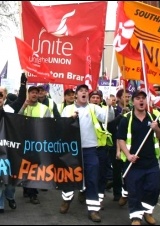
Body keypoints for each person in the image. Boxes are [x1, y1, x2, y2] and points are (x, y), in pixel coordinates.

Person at [59, 84, 114, 222]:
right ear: (76, 95)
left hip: (90, 149)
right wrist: (69, 119)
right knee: (70, 177)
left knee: (92, 178)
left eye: (85, 91)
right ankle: (66, 200)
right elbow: (59, 126)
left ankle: (93, 209)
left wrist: (110, 107)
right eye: (81, 91)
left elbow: (108, 119)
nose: (84, 93)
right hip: (72, 149)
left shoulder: (94, 108)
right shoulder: (67, 109)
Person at [117, 90, 160, 225]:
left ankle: (148, 212)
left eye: (143, 98)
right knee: (134, 191)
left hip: (151, 162)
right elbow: (121, 139)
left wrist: (156, 129)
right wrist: (128, 155)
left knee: (154, 188)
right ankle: (136, 217)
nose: (141, 101)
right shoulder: (126, 119)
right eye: (138, 98)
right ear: (133, 101)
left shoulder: (153, 117)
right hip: (134, 163)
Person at [18, 85, 51, 205]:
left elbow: (49, 124)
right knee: (26, 166)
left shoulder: (44, 108)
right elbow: (16, 120)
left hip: (38, 142)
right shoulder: (24, 106)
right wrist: (24, 106)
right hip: (24, 142)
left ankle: (33, 193)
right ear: (28, 94)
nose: (34, 94)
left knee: (35, 167)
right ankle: (27, 188)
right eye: (32, 92)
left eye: (36, 93)